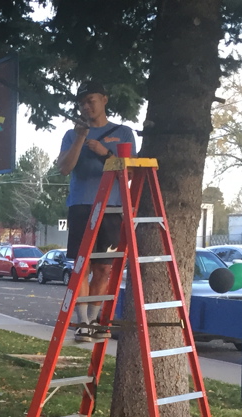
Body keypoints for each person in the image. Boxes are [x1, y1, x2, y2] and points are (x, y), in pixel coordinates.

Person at [56, 80, 137, 343]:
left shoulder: (123, 133)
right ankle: (83, 322)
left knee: (104, 268)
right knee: (82, 265)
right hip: (81, 206)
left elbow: (130, 172)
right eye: (81, 103)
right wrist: (80, 137)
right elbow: (64, 168)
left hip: (112, 208)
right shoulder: (71, 134)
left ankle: (93, 319)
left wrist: (105, 153)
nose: (86, 106)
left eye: (91, 100)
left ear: (104, 99)